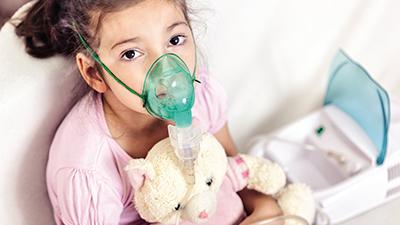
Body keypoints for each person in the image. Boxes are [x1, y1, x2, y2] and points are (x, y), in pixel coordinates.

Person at [15, 0, 283, 224]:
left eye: (175, 40)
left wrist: (265, 209)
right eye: (131, 54)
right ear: (94, 72)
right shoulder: (90, 171)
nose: (168, 72)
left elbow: (232, 165)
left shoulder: (202, 94)